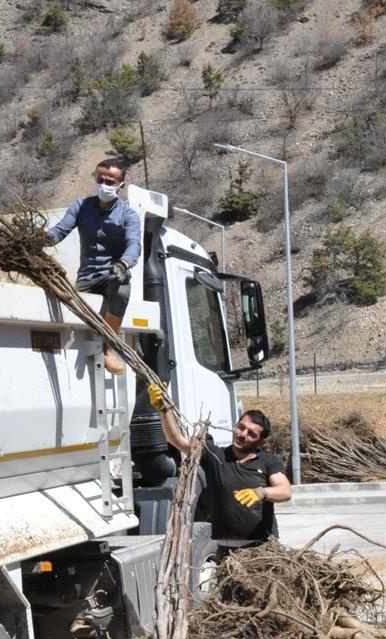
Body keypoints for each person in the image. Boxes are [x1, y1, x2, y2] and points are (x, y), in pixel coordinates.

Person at [144, 384, 292, 546]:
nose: (243, 434)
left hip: (261, 549)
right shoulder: (214, 455)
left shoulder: (268, 461)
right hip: (225, 550)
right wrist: (164, 411)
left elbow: (285, 491)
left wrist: (261, 492)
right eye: (241, 427)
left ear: (261, 441)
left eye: (251, 434)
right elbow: (177, 440)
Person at [47, 159, 142, 376]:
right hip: (86, 277)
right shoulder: (81, 206)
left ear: (121, 186)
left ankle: (108, 349)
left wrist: (123, 264)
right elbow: (60, 230)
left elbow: (134, 244)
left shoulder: (128, 215)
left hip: (112, 274)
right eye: (101, 180)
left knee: (121, 288)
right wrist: (41, 238)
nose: (104, 184)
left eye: (111, 181)